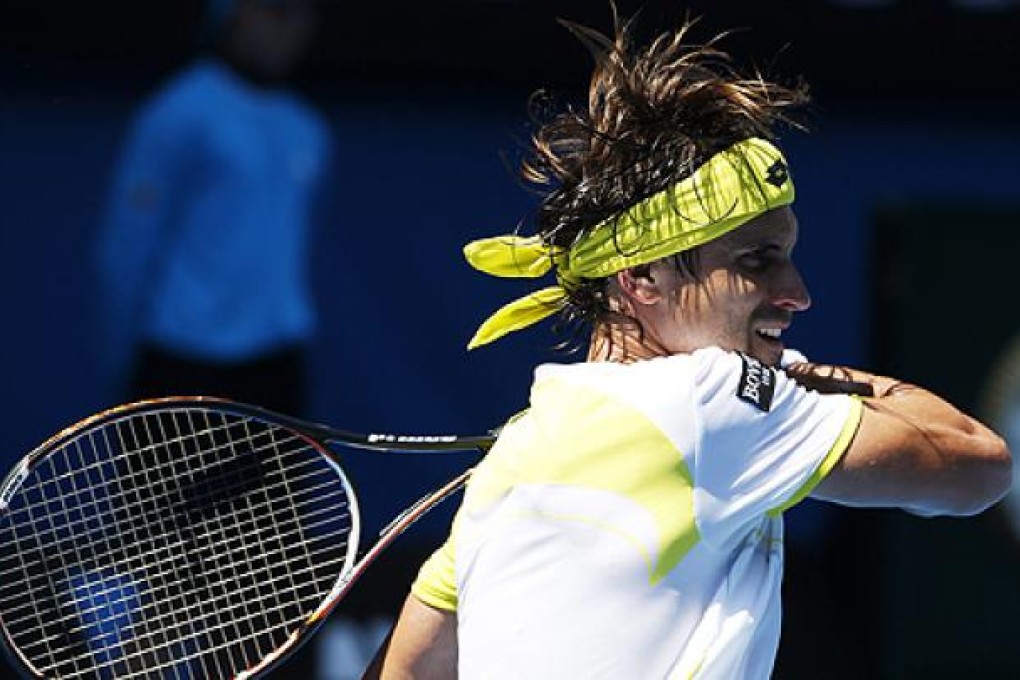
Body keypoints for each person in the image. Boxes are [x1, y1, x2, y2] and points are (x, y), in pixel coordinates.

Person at [362, 14, 1012, 680]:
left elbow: (404, 671)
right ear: (643, 277)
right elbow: (976, 464)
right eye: (758, 261)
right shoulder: (710, 399)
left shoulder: (513, 464)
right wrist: (792, 373)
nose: (797, 293)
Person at [94, 0, 331, 415]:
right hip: (179, 360)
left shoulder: (308, 127)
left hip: (276, 366)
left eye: (299, 12)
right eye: (273, 10)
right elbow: (125, 245)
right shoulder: (178, 112)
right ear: (233, 15)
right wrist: (122, 352)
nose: (288, 26)